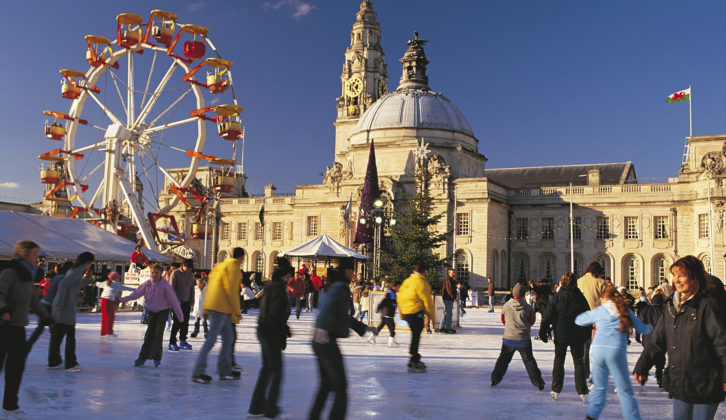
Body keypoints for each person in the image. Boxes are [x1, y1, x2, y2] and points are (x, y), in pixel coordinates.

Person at [634, 256, 726, 420]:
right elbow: (657, 341)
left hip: (706, 382)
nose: (676, 280)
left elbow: (721, 343)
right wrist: (643, 365)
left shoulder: (707, 306)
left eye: (681, 275)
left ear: (694, 277)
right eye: (674, 275)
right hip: (681, 381)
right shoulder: (671, 308)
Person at [309, 258, 376, 420]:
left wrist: (364, 327)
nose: (353, 275)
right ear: (347, 271)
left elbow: (342, 315)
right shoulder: (341, 288)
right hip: (326, 340)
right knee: (340, 387)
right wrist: (324, 328)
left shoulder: (335, 286)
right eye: (352, 271)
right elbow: (331, 309)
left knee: (326, 385)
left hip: (319, 338)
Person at [576, 285, 652, 420]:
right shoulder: (625, 312)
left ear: (604, 298)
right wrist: (654, 326)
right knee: (624, 391)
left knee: (599, 387)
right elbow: (643, 328)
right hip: (616, 351)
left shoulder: (601, 310)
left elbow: (580, 320)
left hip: (598, 350)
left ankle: (591, 416)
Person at [0, 240, 51, 417]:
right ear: (23, 254)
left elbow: (33, 300)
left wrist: (45, 315)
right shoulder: (10, 273)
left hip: (18, 328)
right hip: (3, 327)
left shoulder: (26, 275)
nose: (36, 258)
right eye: (34, 255)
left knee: (15, 369)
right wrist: (3, 309)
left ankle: (10, 406)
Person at [248, 257, 294, 419]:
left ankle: (256, 406)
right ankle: (270, 408)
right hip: (270, 332)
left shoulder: (272, 286)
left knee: (267, 369)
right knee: (276, 371)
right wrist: (282, 334)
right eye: (289, 276)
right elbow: (274, 315)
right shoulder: (279, 289)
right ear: (285, 275)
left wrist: (284, 330)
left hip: (265, 330)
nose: (290, 279)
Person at [191, 247, 244, 384]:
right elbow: (231, 290)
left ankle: (224, 370)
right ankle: (198, 371)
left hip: (217, 306)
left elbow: (210, 287)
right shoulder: (233, 266)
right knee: (212, 340)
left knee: (228, 338)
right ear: (241, 257)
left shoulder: (220, 265)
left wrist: (206, 308)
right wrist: (237, 311)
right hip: (221, 307)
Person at [120, 264, 184, 368]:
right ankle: (142, 357)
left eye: (156, 273)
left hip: (162, 311)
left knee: (158, 334)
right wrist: (125, 299)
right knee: (149, 334)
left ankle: (156, 357)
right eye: (152, 272)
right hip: (151, 311)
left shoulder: (165, 285)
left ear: (161, 273)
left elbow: (174, 301)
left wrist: (180, 316)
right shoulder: (147, 284)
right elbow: (137, 293)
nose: (154, 275)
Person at [539, 272, 590, 402]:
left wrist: (543, 330)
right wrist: (586, 334)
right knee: (578, 362)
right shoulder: (580, 297)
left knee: (559, 361)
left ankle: (556, 389)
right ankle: (583, 391)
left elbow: (547, 314)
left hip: (561, 332)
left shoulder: (557, 296)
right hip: (577, 333)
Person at [491, 283, 545, 390]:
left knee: (503, 360)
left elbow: (503, 320)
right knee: (529, 362)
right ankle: (538, 382)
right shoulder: (528, 307)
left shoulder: (506, 306)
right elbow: (532, 321)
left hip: (509, 338)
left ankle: (495, 379)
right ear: (523, 295)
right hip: (523, 339)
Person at [49, 251, 96, 372]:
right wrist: (60, 303)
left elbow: (75, 284)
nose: (91, 265)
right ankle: (70, 364)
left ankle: (54, 361)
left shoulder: (75, 270)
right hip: (65, 307)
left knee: (59, 335)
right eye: (91, 263)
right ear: (88, 262)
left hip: (64, 306)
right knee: (70, 336)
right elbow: (64, 284)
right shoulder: (78, 270)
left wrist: (88, 280)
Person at [27, 261, 73, 355]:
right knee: (54, 331)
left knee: (44, 329)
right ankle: (52, 358)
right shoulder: (62, 278)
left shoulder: (59, 277)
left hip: (46, 304)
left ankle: (27, 347)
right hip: (49, 306)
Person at [397, 263, 435, 372]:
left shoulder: (407, 281)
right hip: (415, 310)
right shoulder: (422, 282)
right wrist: (432, 317)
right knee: (417, 332)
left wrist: (401, 314)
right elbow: (427, 301)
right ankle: (414, 357)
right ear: (424, 272)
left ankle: (413, 356)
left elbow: (400, 298)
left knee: (415, 332)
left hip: (406, 311)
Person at [577, 261, 608, 382]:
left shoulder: (579, 281)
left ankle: (584, 374)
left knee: (585, 347)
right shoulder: (601, 282)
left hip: (582, 317)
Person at [635, 292, 665, 387]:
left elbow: (639, 323)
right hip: (662, 338)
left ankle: (643, 375)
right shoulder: (664, 311)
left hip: (647, 337)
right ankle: (659, 377)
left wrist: (637, 335)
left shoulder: (646, 310)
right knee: (660, 356)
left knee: (647, 355)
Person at [168, 259, 195, 351]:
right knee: (177, 323)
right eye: (187, 268)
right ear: (183, 265)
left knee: (185, 323)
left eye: (190, 269)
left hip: (186, 302)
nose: (188, 270)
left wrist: (192, 300)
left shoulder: (190, 274)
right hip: (177, 303)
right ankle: (172, 342)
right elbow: (171, 288)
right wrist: (176, 301)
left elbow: (192, 288)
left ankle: (183, 340)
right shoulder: (175, 273)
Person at [96, 272, 134, 338]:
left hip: (103, 300)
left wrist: (92, 281)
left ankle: (103, 333)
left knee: (105, 316)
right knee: (110, 317)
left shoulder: (106, 282)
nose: (119, 278)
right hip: (109, 301)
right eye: (118, 277)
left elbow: (98, 284)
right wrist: (136, 289)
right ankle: (109, 333)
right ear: (115, 278)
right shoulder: (116, 284)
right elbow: (126, 288)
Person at [369, 281, 400, 347]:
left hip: (388, 314)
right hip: (387, 313)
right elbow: (384, 301)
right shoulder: (390, 293)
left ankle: (372, 337)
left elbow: (393, 301)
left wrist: (395, 304)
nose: (399, 288)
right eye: (398, 287)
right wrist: (378, 308)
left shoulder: (393, 293)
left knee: (381, 326)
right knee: (392, 328)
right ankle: (391, 342)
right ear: (394, 287)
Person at [439, 269, 456, 333]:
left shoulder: (450, 280)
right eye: (452, 273)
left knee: (446, 313)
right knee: (448, 313)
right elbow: (449, 290)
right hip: (448, 298)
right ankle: (447, 328)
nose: (454, 274)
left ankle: (441, 326)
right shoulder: (448, 280)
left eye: (454, 273)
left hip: (447, 298)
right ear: (449, 273)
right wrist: (453, 297)